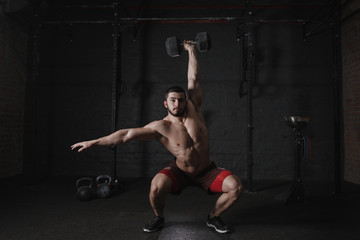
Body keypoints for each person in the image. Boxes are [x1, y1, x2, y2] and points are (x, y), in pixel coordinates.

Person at [71, 40, 243, 234]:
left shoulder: (195, 107)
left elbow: (193, 77)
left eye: (180, 100)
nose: (177, 103)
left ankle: (214, 217)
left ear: (186, 101)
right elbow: (125, 135)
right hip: (180, 172)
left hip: (206, 171)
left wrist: (191, 50)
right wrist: (94, 142)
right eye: (172, 101)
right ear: (165, 104)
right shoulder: (160, 127)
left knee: (235, 186)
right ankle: (158, 217)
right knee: (156, 186)